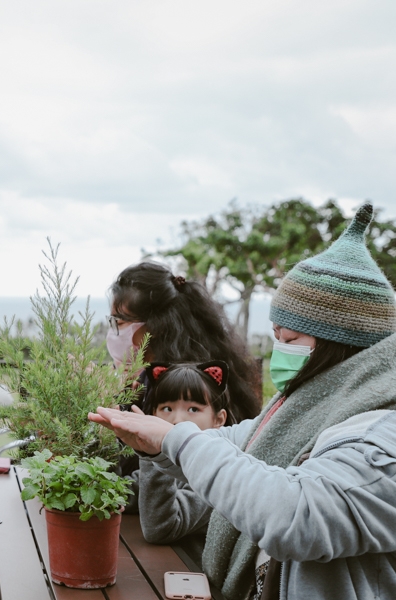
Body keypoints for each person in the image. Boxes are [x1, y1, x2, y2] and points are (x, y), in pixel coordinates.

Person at [91, 201, 396, 600]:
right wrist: (156, 446)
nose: (278, 351)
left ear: (340, 345)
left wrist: (175, 439)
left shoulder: (381, 438)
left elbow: (294, 516)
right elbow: (238, 444)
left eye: (290, 340)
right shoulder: (310, 409)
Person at [107, 261, 261, 424]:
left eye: (120, 323)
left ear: (155, 326)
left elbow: (160, 442)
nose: (113, 333)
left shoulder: (181, 382)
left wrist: (106, 395)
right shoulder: (154, 374)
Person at [128, 361, 230, 565]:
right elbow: (125, 493)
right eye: (166, 408)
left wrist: (155, 453)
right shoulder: (174, 463)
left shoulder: (217, 473)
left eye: (193, 409)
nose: (177, 420)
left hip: (197, 579)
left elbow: (159, 528)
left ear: (219, 420)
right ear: (153, 415)